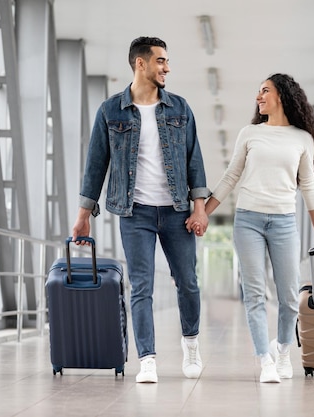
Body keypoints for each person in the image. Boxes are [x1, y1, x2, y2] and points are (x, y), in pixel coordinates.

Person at [72, 36, 210, 384]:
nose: (167, 68)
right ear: (141, 64)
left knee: (188, 283)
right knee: (141, 287)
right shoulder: (110, 111)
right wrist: (83, 216)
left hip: (178, 211)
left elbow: (195, 161)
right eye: (161, 61)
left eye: (167, 61)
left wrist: (200, 209)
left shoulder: (179, 108)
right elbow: (95, 165)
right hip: (135, 213)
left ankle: (191, 343)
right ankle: (147, 358)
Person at [189, 73, 314, 383]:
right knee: (253, 293)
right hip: (248, 221)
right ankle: (264, 360)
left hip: (284, 222)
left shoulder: (301, 138)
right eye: (258, 91)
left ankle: (282, 351)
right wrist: (204, 213)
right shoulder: (249, 134)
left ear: (282, 95)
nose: (259, 96)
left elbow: (308, 185)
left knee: (289, 296)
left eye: (264, 91)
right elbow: (230, 177)